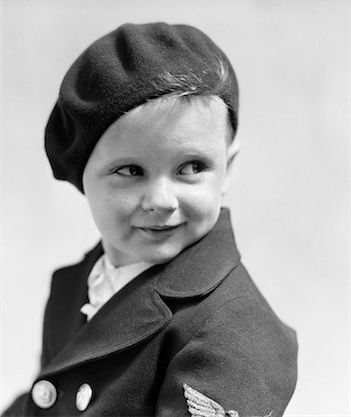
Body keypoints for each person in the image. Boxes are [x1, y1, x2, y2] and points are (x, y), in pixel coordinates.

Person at [3, 22, 298, 417]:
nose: (162, 200)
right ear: (81, 178)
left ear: (227, 168)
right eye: (130, 171)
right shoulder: (75, 285)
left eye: (192, 167)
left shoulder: (232, 333)